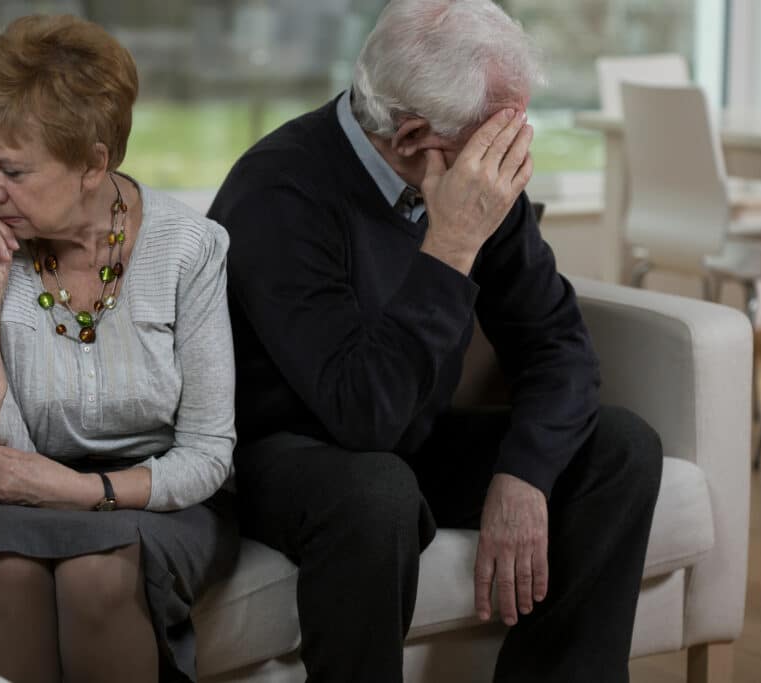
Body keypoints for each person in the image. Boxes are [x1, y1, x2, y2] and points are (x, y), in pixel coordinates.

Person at [208, 1, 663, 681]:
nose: (516, 154)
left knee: (619, 450)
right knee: (376, 491)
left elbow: (559, 346)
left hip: (405, 437)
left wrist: (524, 471)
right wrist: (450, 241)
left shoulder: (469, 175)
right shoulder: (280, 191)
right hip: (286, 453)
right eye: (499, 133)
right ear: (418, 136)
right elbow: (363, 415)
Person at [0, 15, 238, 683]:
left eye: (10, 169)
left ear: (94, 163)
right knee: (10, 572)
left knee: (99, 575)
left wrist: (79, 489)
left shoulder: (190, 250)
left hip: (153, 494)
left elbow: (209, 452)